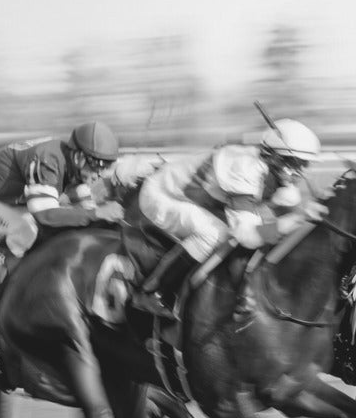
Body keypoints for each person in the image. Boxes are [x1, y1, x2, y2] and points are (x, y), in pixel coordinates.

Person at [130, 118, 323, 319]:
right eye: (297, 164)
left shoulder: (276, 176)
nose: (300, 173)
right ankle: (154, 292)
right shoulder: (245, 170)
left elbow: (280, 221)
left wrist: (300, 216)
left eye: (304, 165)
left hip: (200, 199)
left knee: (268, 225)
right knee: (214, 233)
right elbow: (246, 236)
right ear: (277, 159)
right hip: (161, 195)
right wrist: (298, 217)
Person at [0, 120, 149, 288]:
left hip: (0, 198)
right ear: (79, 157)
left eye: (106, 167)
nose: (99, 173)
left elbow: (84, 210)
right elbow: (45, 215)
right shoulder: (49, 159)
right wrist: (98, 214)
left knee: (49, 226)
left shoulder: (74, 168)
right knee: (26, 229)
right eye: (97, 165)